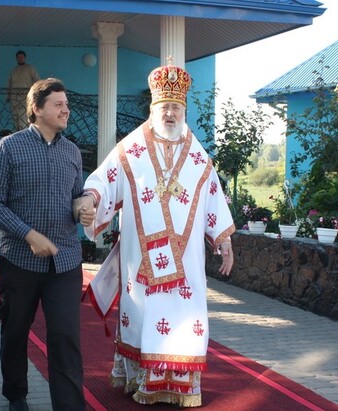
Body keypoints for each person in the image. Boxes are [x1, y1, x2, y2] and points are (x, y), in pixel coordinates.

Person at [74, 62, 235, 407]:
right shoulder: (131, 149)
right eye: (165, 107)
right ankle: (141, 379)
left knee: (185, 319)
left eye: (176, 107)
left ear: (184, 110)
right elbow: (103, 180)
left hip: (186, 265)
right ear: (153, 108)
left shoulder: (197, 155)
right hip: (141, 262)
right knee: (144, 317)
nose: (170, 114)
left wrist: (224, 239)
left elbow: (213, 197)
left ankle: (181, 386)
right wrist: (90, 198)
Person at [0, 78, 87, 411]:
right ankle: (16, 395)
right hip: (19, 262)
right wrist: (29, 234)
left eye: (66, 104)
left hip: (65, 261)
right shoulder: (8, 148)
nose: (66, 110)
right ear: (37, 109)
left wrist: (84, 206)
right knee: (15, 332)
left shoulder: (72, 152)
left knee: (65, 337)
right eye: (58, 104)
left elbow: (77, 196)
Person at [7, 50, 40, 131]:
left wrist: (36, 95)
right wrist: (8, 95)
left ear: (25, 58)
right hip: (14, 98)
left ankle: (25, 135)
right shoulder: (13, 70)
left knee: (24, 118)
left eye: (22, 57)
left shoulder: (30, 68)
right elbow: (9, 83)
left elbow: (38, 81)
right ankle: (18, 134)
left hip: (25, 98)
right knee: (16, 118)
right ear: (16, 59)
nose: (20, 59)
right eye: (18, 57)